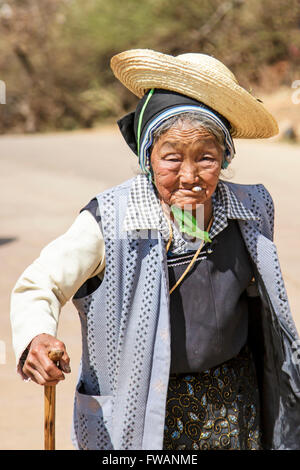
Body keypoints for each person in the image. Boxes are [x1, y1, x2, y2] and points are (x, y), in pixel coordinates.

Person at [10, 49, 300, 450]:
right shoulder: (109, 220)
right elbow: (41, 283)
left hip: (234, 403)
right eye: (171, 158)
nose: (190, 176)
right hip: (144, 411)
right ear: (148, 156)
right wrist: (37, 336)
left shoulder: (250, 209)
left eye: (207, 158)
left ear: (226, 158)